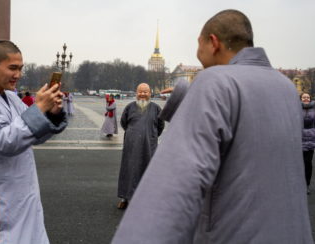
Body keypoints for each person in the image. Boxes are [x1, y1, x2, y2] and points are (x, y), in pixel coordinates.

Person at [112, 9, 313, 244]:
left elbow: (170, 191)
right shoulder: (287, 89)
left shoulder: (214, 81)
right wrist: (186, 97)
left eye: (198, 45)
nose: (198, 55)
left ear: (213, 42)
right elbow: (246, 133)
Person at [0, 40, 68, 244]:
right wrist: (38, 110)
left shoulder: (11, 98)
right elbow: (5, 142)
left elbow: (32, 134)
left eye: (20, 68)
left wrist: (51, 113)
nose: (18, 74)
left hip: (20, 195)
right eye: (13, 68)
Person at [117, 83, 164, 209]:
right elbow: (124, 123)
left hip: (149, 145)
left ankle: (146, 198)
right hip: (132, 145)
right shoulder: (130, 107)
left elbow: (160, 126)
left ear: (150, 93)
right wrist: (134, 134)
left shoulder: (156, 108)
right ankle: (125, 197)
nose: (143, 94)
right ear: (136, 93)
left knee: (147, 170)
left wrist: (150, 136)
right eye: (140, 91)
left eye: (145, 92)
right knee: (129, 169)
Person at [301, 92, 315, 195]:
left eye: (307, 97)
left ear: (310, 99)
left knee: (308, 164)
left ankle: (306, 185)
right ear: (300, 99)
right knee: (297, 164)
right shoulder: (296, 108)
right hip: (298, 140)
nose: (306, 99)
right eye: (304, 97)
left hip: (310, 140)